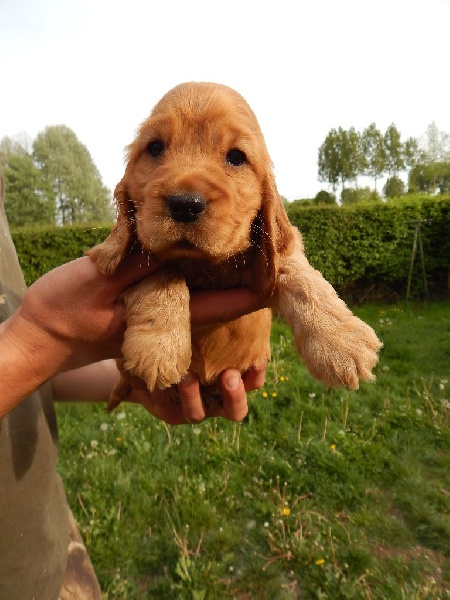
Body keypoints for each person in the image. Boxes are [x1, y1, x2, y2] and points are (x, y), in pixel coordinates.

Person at [0, 167, 266, 599]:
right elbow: (25, 347)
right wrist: (42, 337)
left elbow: (26, 367)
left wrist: (132, 375)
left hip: (43, 536)